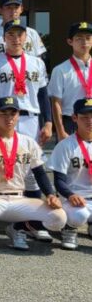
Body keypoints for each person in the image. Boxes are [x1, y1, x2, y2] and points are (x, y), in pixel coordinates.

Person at [0, 96, 65, 251]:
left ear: (18, 115)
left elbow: (40, 173)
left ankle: (18, 228)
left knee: (59, 217)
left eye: (13, 113)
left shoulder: (28, 142)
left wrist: (50, 194)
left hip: (19, 198)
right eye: (4, 113)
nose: (9, 118)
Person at [48, 98, 92, 250]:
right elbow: (59, 181)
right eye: (85, 117)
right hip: (73, 198)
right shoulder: (66, 145)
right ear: (75, 118)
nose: (90, 121)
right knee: (79, 215)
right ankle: (69, 228)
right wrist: (71, 195)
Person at [48, 22, 92, 139]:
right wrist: (60, 131)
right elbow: (56, 102)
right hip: (71, 122)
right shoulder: (60, 70)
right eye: (79, 38)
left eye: (88, 38)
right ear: (70, 41)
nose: (84, 42)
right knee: (70, 157)